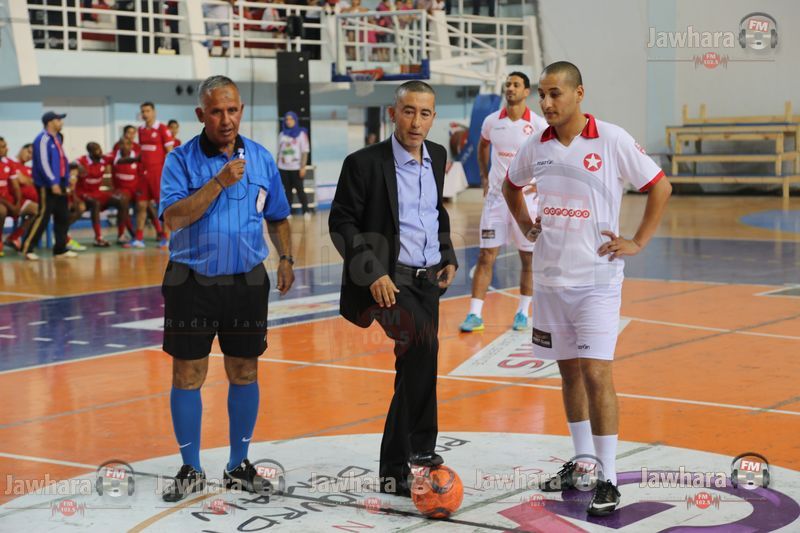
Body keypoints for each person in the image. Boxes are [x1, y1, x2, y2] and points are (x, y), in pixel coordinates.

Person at [503, 61, 672, 515]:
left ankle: (609, 478)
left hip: (597, 281)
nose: (546, 102)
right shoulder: (535, 144)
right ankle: (581, 464)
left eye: (554, 93)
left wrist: (637, 241)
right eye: (541, 94)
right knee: (569, 374)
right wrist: (527, 225)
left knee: (597, 375)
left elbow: (660, 187)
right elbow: (510, 186)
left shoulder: (612, 139)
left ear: (579, 93)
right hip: (550, 280)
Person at [158, 75, 295, 502]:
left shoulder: (262, 158)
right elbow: (174, 218)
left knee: (244, 371)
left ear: (241, 111)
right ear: (201, 114)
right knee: (188, 374)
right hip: (190, 281)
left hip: (246, 281)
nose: (226, 119)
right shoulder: (179, 160)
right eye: (216, 111)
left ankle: (238, 465)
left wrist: (286, 257)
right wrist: (217, 182)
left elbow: (278, 216)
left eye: (232, 110)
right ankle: (191, 467)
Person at [329, 81, 458, 497]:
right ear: (393, 113)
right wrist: (373, 273)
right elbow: (341, 222)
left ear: (433, 117)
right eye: (408, 111)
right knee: (422, 345)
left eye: (425, 113)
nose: (416, 122)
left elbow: (434, 211)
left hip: (428, 279)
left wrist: (448, 253)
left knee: (420, 360)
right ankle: (408, 457)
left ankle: (407, 458)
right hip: (387, 282)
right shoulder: (363, 163)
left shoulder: (437, 156)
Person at [460, 72, 548, 333]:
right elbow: (482, 147)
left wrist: (541, 182)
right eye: (508, 84)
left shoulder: (538, 123)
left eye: (516, 85)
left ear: (526, 91)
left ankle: (522, 312)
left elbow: (552, 154)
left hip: (526, 201)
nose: (510, 88)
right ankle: (474, 314)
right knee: (486, 255)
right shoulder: (491, 121)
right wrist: (484, 177)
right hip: (497, 199)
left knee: (528, 258)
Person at [20, 111, 76, 261]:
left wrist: (67, 179)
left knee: (63, 216)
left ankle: (60, 249)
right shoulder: (42, 139)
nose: (61, 123)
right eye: (58, 120)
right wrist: (53, 182)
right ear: (50, 122)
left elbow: (62, 161)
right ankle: (27, 248)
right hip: (47, 184)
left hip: (60, 183)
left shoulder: (56, 138)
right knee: (43, 216)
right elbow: (43, 163)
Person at [134, 101, 174, 248]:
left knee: (162, 206)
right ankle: (138, 238)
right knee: (141, 205)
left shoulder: (162, 128)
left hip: (158, 174)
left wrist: (169, 174)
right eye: (143, 111)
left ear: (154, 112)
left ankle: (166, 238)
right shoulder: (140, 130)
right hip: (143, 175)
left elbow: (170, 152)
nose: (145, 114)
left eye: (148, 111)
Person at [276, 111, 310, 217]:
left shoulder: (301, 134)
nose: (288, 121)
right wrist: (276, 166)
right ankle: (288, 212)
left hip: (296, 168)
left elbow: (304, 151)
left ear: (295, 120)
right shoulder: (282, 134)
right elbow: (279, 152)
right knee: (287, 191)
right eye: (287, 119)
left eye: (291, 119)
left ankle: (306, 211)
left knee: (300, 190)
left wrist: (303, 167)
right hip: (283, 168)